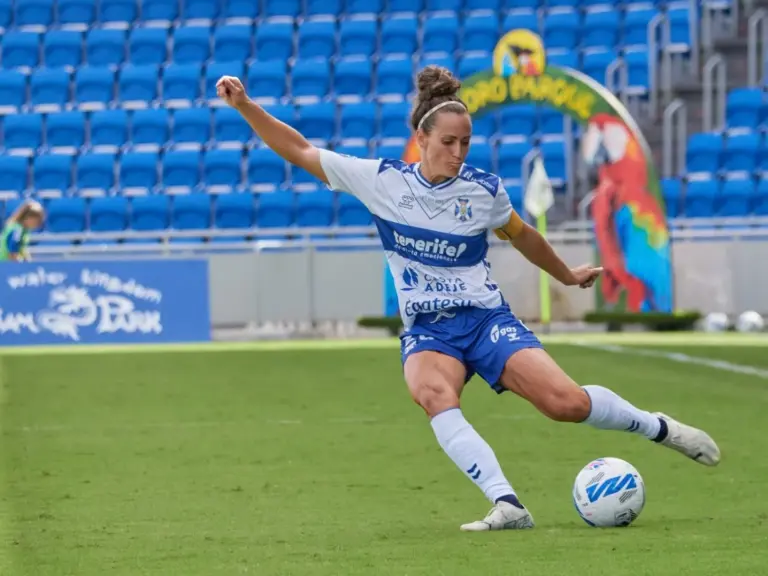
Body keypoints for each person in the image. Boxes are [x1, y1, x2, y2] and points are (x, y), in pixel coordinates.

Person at [217, 67, 720, 532]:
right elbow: (300, 149)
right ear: (422, 140)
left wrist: (565, 274)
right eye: (448, 142)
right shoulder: (381, 181)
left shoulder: (484, 192)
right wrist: (245, 106)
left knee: (565, 404)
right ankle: (508, 504)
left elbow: (522, 236)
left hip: (485, 321)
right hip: (430, 330)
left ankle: (660, 428)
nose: (458, 153)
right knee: (434, 395)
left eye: (466, 143)